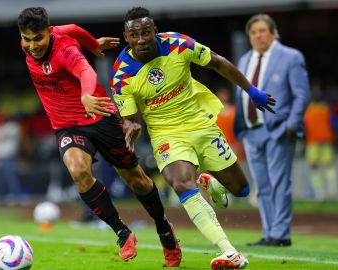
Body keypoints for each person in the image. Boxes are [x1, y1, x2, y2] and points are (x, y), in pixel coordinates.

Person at [111, 7, 275, 269]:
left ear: (154, 31)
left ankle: (207, 180)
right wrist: (131, 126)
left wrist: (250, 90)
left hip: (200, 124)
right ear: (126, 37)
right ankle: (230, 252)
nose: (141, 39)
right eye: (134, 35)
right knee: (181, 184)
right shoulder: (122, 75)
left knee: (241, 190)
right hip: (167, 134)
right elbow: (130, 118)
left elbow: (218, 61)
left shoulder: (178, 44)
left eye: (145, 32)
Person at [17, 7, 181, 267]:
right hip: (66, 127)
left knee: (135, 179)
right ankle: (122, 232)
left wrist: (85, 94)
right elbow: (73, 27)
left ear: (48, 33)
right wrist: (93, 44)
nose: (33, 45)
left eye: (38, 39)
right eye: (27, 39)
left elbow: (86, 72)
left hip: (99, 117)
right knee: (78, 171)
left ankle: (164, 230)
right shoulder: (40, 38)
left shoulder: (64, 50)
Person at [233, 14, 310, 247]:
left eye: (262, 31)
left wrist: (291, 125)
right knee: (262, 186)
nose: (258, 35)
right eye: (253, 32)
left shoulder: (290, 56)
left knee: (279, 183)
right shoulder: (245, 59)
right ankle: (269, 232)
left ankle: (281, 233)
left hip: (278, 129)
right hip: (251, 130)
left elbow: (302, 94)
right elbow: (240, 94)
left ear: (274, 32)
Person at [304, 81, 337, 200]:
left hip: (313, 141)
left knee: (314, 167)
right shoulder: (326, 109)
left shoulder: (308, 111)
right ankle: (332, 189)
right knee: (329, 166)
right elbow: (334, 125)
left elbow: (304, 126)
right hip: (326, 140)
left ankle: (319, 193)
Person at [0, 115, 23, 205]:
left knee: (11, 178)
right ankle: (1, 199)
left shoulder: (12, 126)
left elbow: (3, 136)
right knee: (0, 179)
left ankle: (16, 198)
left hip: (9, 157)